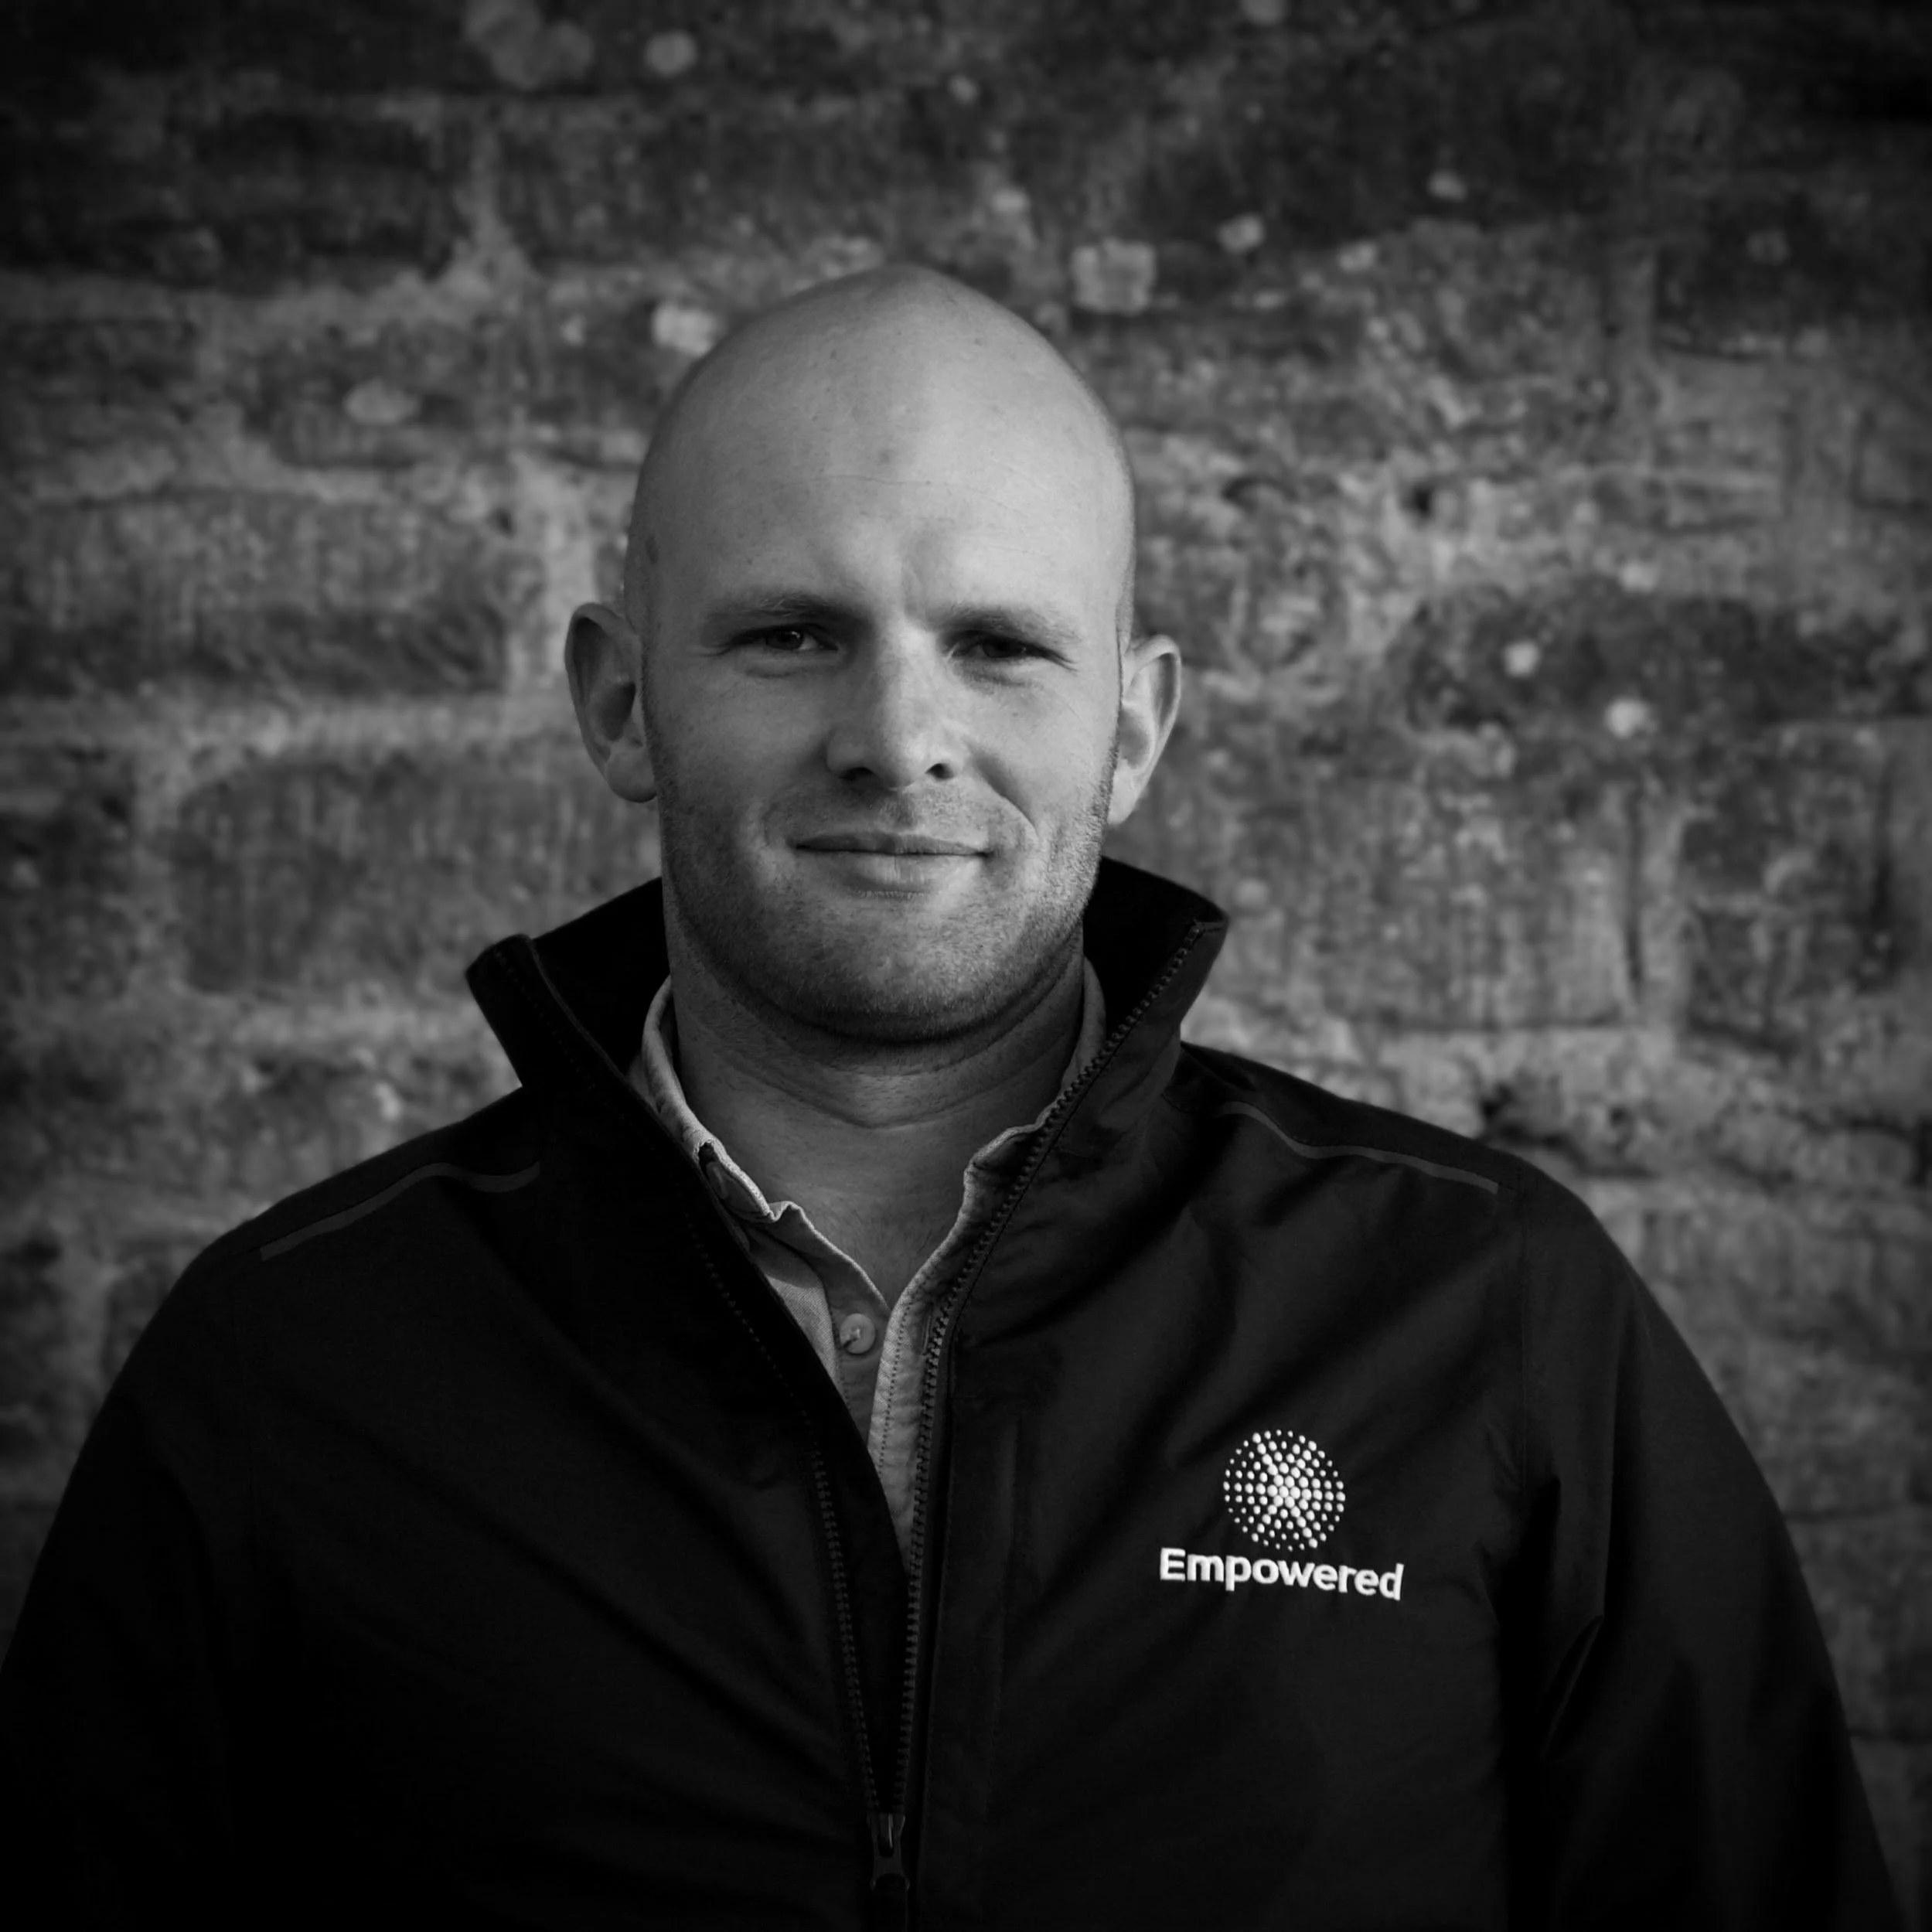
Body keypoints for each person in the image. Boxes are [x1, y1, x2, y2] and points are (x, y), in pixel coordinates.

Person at [0, 266, 1900, 1930]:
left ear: (1133, 725)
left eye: (996, 644)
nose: (898, 735)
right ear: (618, 702)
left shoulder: (1484, 1317)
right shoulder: (293, 1367)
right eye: (791, 633)